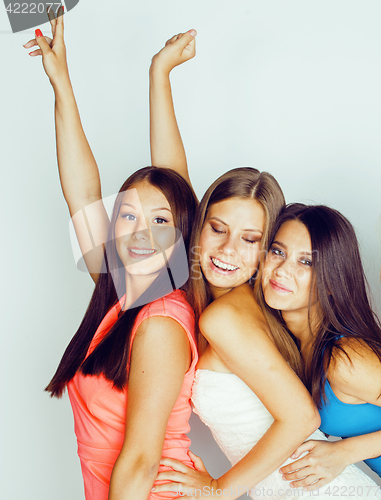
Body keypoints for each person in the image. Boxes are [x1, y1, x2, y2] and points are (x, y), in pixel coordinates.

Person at [147, 32, 381, 499]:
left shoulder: (337, 352)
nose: (230, 250)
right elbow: (176, 191)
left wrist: (218, 491)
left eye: (253, 240)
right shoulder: (273, 315)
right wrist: (159, 77)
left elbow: (303, 420)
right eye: (277, 250)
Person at [24, 10, 199, 500]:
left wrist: (158, 74)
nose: (141, 232)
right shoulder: (120, 292)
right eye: (127, 216)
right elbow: (81, 192)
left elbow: (142, 463)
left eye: (161, 222)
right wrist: (60, 81)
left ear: (183, 230)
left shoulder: (162, 322)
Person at [260, 204, 381, 486]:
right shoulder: (293, 346)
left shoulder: (345, 358)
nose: (282, 270)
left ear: (331, 280)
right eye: (278, 251)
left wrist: (342, 453)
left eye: (306, 262)